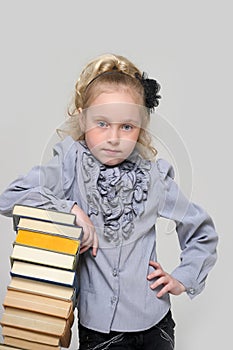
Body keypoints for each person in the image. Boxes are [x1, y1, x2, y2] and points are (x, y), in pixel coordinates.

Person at [0, 53, 218, 350]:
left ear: (141, 126)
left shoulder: (153, 176)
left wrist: (184, 277)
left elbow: (201, 232)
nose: (113, 138)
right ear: (82, 117)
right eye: (102, 123)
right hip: (101, 333)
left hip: (157, 325)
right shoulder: (69, 163)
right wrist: (70, 210)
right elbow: (10, 197)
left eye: (126, 126)